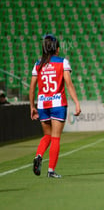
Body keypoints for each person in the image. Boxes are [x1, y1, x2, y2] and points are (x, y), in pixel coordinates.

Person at [29, 34, 81, 178]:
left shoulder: (37, 64)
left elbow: (32, 87)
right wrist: (76, 102)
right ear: (57, 49)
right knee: (56, 138)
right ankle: (51, 170)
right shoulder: (63, 62)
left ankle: (39, 155)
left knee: (47, 135)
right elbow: (69, 84)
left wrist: (32, 106)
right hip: (58, 103)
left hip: (42, 103)